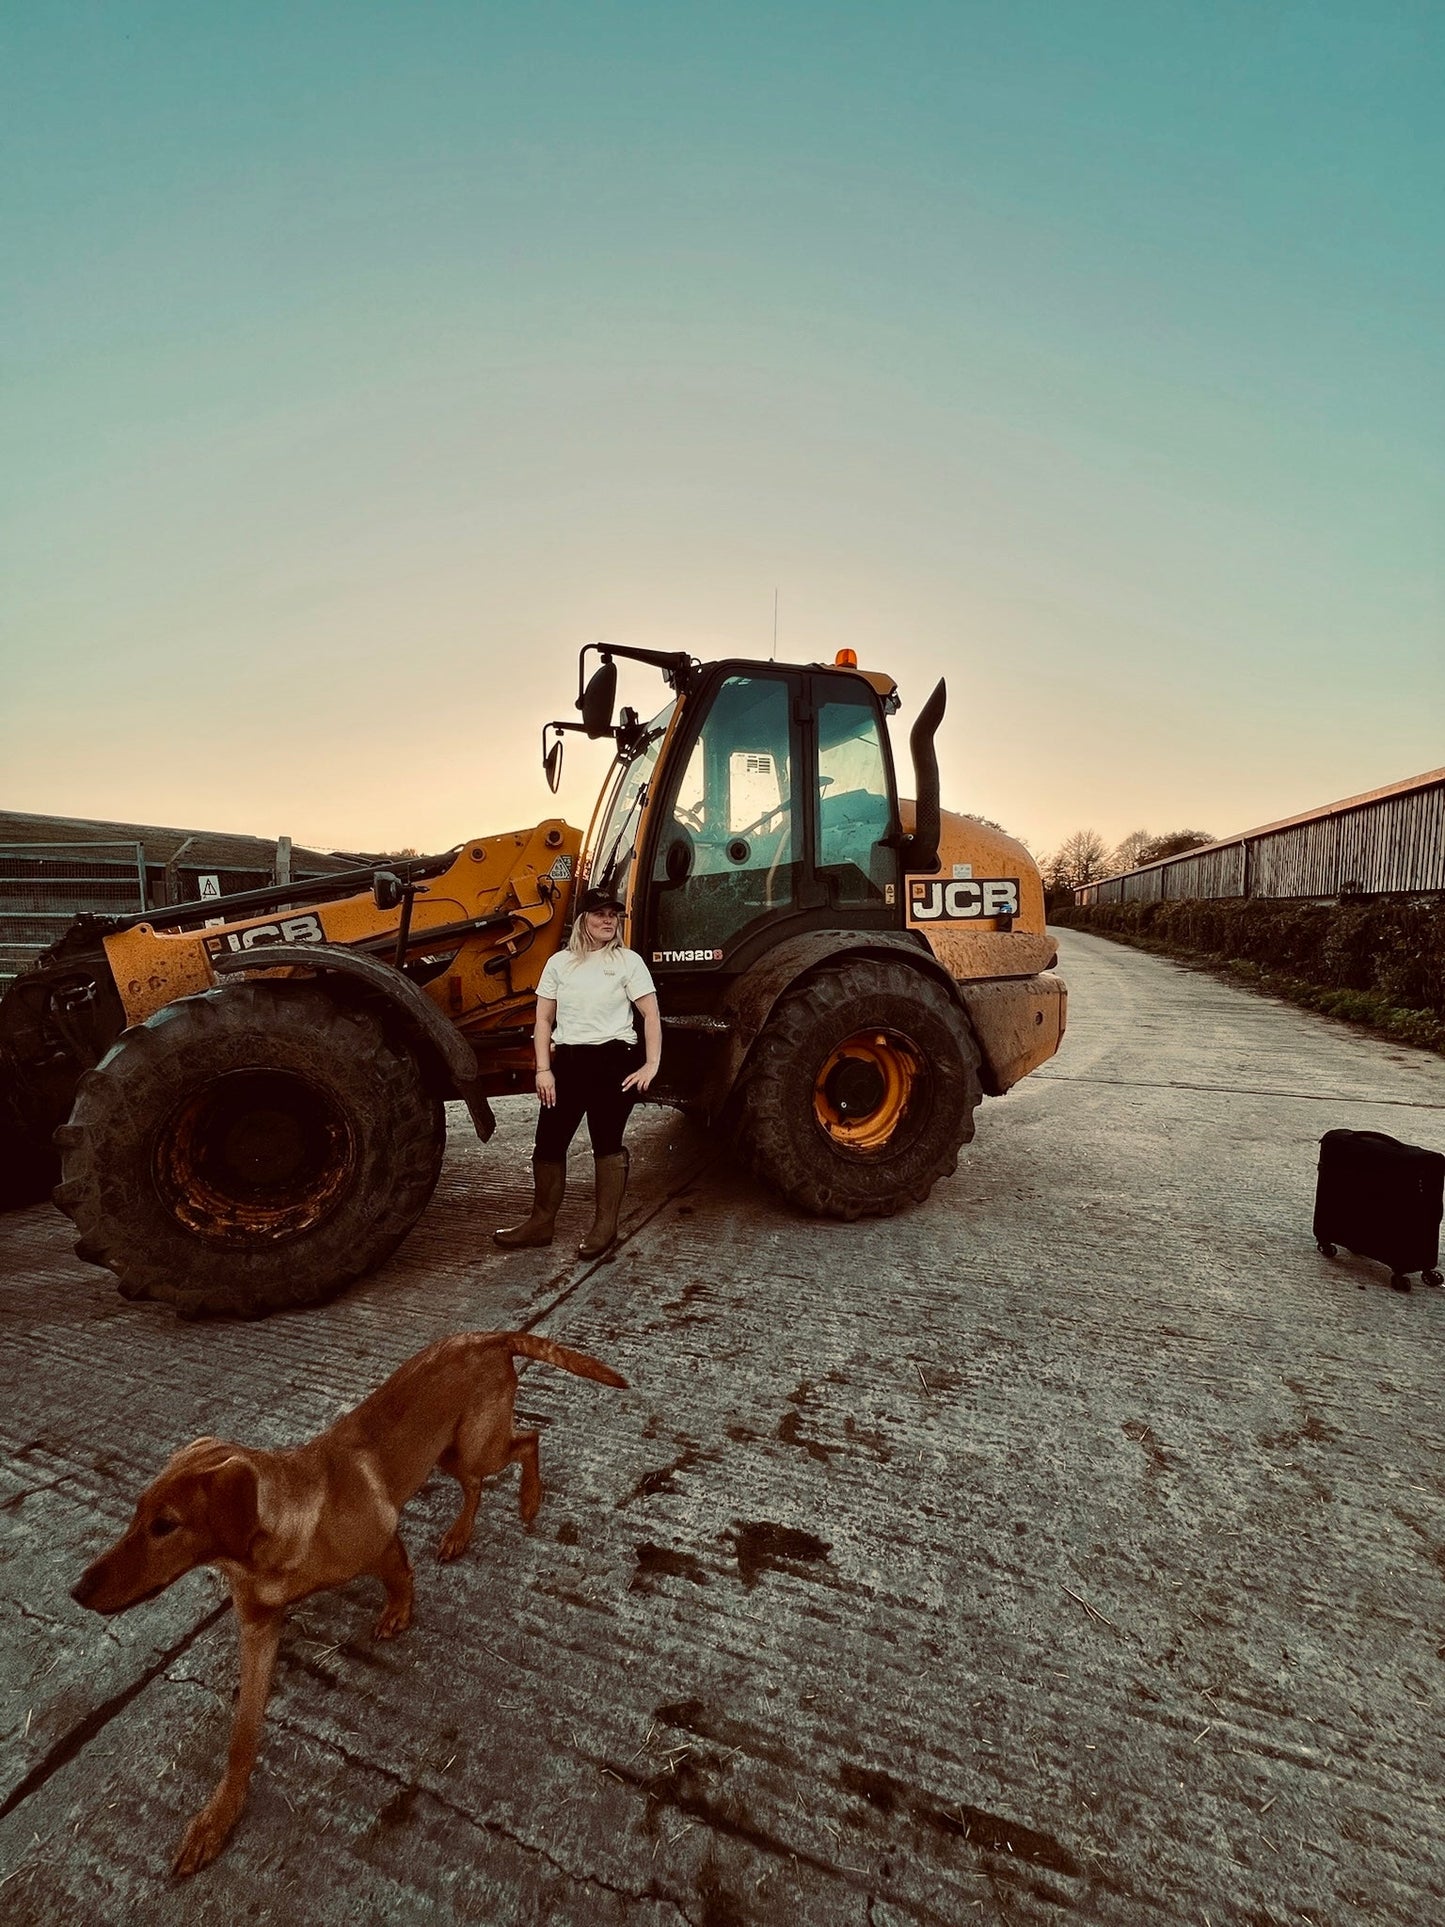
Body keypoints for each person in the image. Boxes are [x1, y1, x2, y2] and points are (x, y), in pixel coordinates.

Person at [493, 887, 661, 1258]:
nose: (608, 920)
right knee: (549, 1143)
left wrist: (651, 1064)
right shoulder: (559, 963)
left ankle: (604, 1228)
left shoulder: (627, 961)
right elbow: (543, 1018)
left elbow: (650, 1015)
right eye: (599, 913)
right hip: (567, 1062)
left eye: (612, 914)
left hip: (614, 1061)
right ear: (582, 920)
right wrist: (543, 1070)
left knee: (606, 1143)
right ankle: (540, 1223)